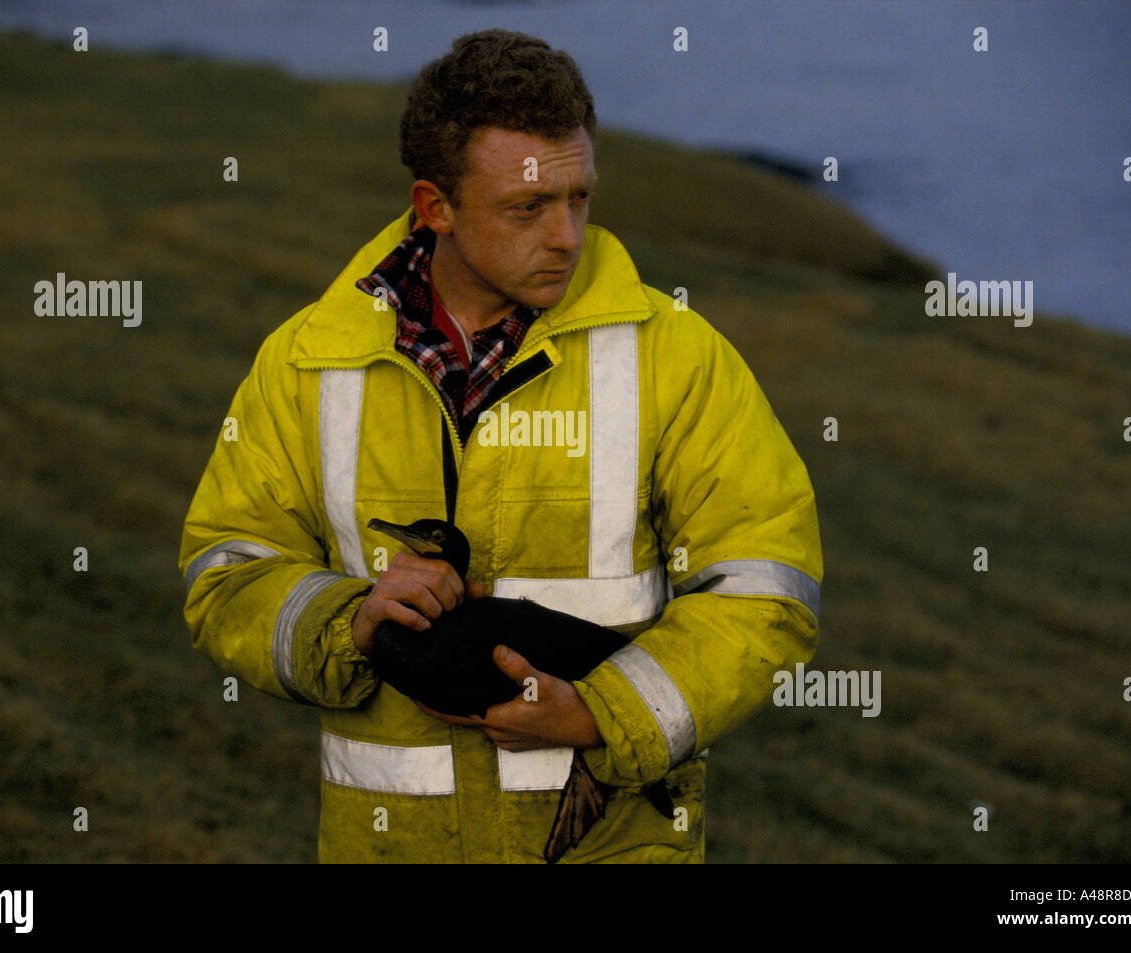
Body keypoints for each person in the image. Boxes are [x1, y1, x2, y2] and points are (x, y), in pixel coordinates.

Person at [179, 29, 822, 863]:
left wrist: (604, 714)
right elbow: (225, 575)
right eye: (528, 208)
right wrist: (352, 622)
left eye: (579, 198)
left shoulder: (681, 359)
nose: (566, 236)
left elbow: (767, 589)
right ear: (433, 207)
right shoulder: (305, 362)